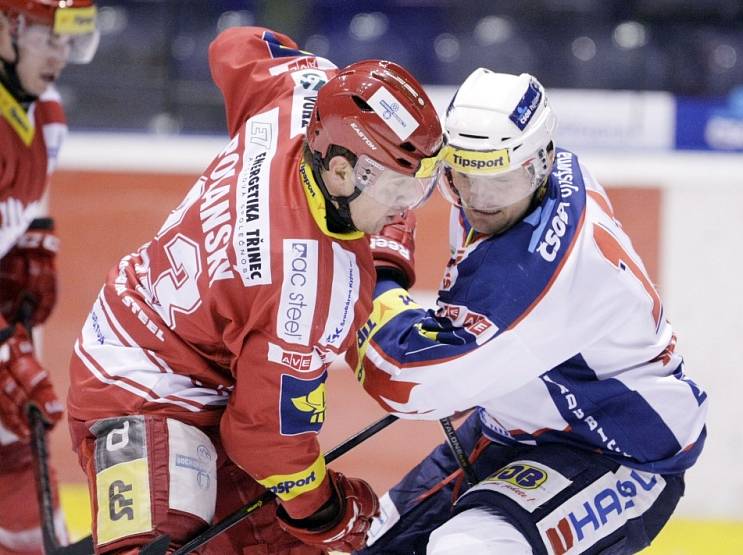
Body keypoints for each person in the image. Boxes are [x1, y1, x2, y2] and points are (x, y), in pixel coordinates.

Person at [66, 25, 443, 554]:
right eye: (397, 188)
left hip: (193, 358)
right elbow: (267, 441)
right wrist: (326, 511)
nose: (407, 208)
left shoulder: (305, 96)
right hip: (136, 391)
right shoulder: (312, 289)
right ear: (339, 171)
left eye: (420, 186)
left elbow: (235, 45)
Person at [351, 68, 709, 554]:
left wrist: (380, 274)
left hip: (619, 454)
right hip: (513, 428)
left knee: (468, 549)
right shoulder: (535, 176)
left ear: (540, 163)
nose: (478, 201)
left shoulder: (538, 273)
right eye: (462, 176)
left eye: (496, 181)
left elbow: (405, 382)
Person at [0, 1, 99, 553]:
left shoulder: (45, 112)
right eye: (48, 39)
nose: (61, 55)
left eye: (69, 41)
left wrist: (30, 244)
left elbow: (30, 197)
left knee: (14, 440)